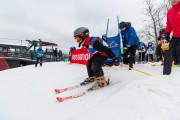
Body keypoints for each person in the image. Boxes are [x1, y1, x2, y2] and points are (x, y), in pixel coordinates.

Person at [163, 0, 180, 75]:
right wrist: (167, 33)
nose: (173, 0)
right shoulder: (170, 11)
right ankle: (166, 74)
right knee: (167, 50)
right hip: (175, 36)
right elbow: (169, 24)